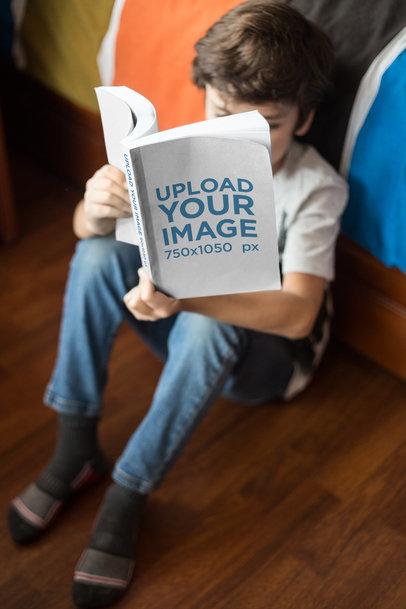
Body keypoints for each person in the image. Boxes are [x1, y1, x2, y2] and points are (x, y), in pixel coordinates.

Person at [7, 1, 348, 607]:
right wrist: (95, 205)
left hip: (265, 363)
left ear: (304, 120)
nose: (237, 139)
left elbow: (298, 314)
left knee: (205, 327)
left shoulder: (314, 188)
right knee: (95, 256)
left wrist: (187, 300)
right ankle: (76, 440)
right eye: (221, 113)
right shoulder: (174, 156)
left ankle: (128, 493)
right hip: (172, 316)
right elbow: (87, 232)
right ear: (205, 98)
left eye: (265, 125)